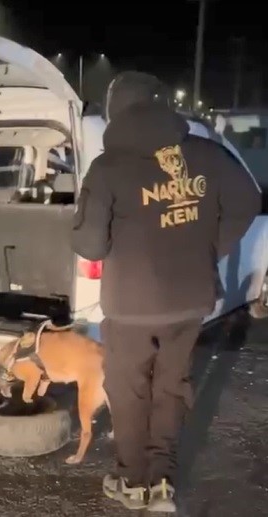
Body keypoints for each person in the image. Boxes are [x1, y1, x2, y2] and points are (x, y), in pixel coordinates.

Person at [71, 71, 261, 512]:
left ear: (117, 109)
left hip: (132, 305)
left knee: (130, 390)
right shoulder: (206, 154)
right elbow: (248, 200)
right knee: (171, 387)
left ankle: (132, 482)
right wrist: (209, 247)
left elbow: (89, 244)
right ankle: (161, 484)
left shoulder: (109, 167)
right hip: (188, 301)